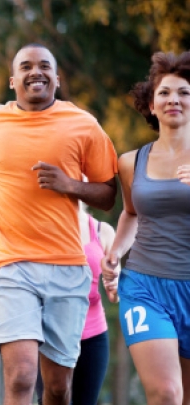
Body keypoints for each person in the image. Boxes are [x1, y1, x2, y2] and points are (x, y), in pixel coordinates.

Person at [0, 43, 118, 405]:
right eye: (26, 66)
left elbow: (109, 194)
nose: (36, 72)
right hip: (8, 264)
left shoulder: (82, 124)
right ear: (13, 81)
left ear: (57, 79)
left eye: (44, 66)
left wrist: (70, 185)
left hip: (66, 266)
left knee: (59, 388)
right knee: (21, 376)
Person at [101, 51, 190, 405]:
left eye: (184, 92)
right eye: (164, 92)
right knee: (166, 393)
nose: (174, 99)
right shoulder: (130, 162)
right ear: (151, 105)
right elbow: (132, 214)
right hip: (146, 286)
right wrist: (116, 252)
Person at [35, 200, 118, 405]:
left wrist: (114, 285)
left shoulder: (102, 231)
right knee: (52, 397)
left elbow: (115, 294)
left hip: (93, 335)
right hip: (50, 334)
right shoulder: (42, 227)